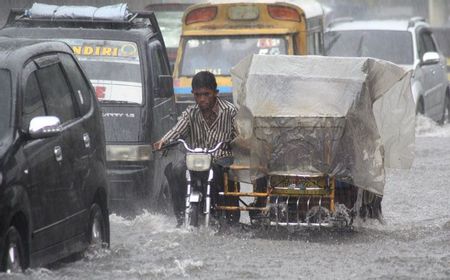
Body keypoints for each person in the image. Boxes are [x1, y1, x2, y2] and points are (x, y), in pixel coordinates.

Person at [153, 71, 240, 227]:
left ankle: (220, 213)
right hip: (195, 159)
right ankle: (180, 217)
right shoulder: (190, 113)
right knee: (176, 170)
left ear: (216, 93)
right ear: (193, 94)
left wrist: (237, 142)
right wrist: (164, 141)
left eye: (206, 94)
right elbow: (177, 130)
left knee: (223, 175)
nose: (202, 99)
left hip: (221, 160)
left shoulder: (230, 111)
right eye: (198, 95)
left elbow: (240, 136)